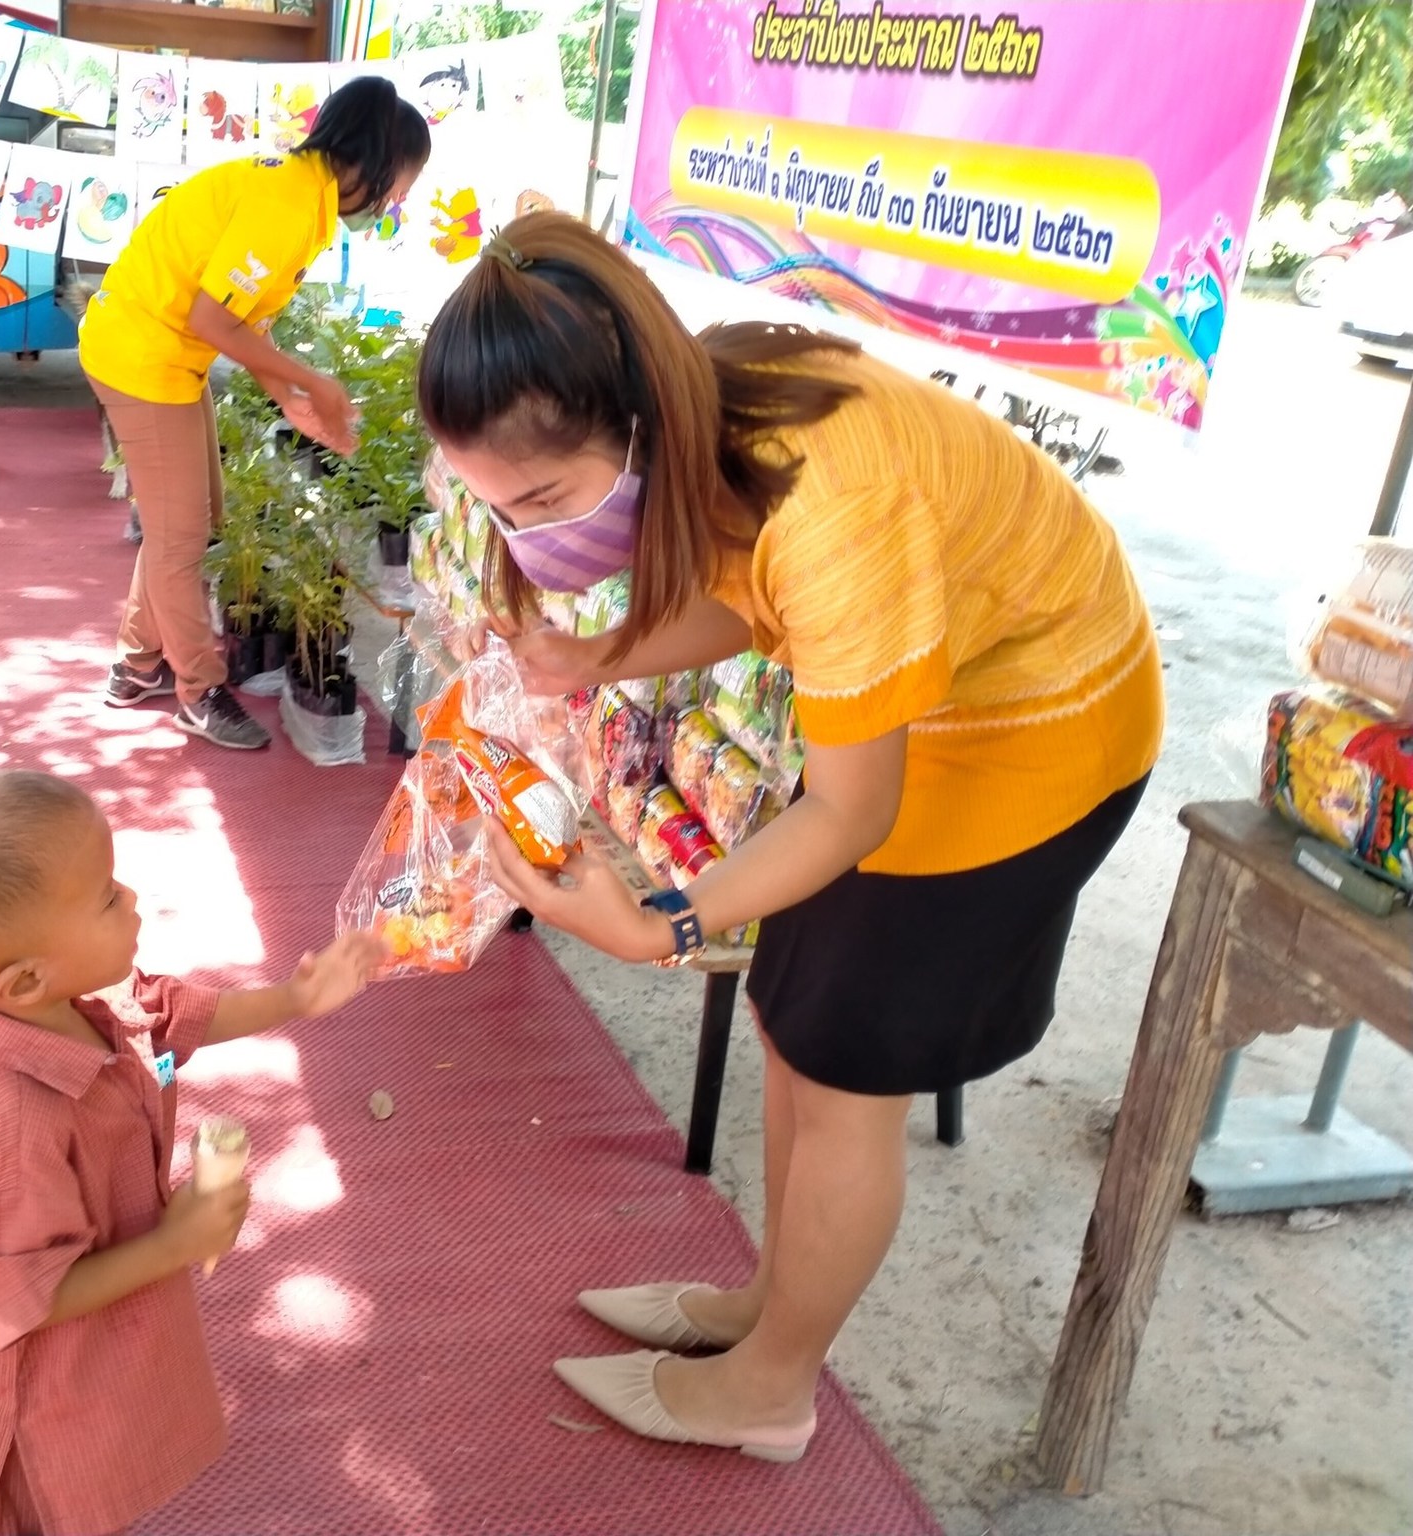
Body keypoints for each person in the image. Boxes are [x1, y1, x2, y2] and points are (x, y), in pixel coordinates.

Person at [416, 213, 1164, 1460]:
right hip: (924, 704)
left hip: (1038, 729)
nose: (528, 539)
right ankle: (770, 1305)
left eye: (540, 498)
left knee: (848, 1071)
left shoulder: (836, 508)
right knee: (791, 1019)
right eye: (497, 508)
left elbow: (848, 809)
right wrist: (585, 659)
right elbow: (746, 598)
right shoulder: (702, 414)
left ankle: (772, 1385)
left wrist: (660, 921)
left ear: (633, 417)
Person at [0, 770, 381, 1536]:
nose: (130, 897)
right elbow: (26, 1301)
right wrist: (179, 1241)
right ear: (25, 978)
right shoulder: (19, 1123)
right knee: (48, 1508)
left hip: (90, 1343)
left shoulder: (73, 998)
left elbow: (165, 1016)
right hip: (23, 1396)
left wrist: (295, 999)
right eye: (104, 895)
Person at [80, 76, 431, 751]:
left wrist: (292, 399)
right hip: (142, 356)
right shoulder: (289, 205)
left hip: (165, 354)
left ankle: (137, 662)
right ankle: (199, 691)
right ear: (380, 157)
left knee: (187, 518)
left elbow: (245, 323)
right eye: (404, 179)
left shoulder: (303, 195)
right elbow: (212, 317)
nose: (401, 198)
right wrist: (312, 382)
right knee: (182, 538)